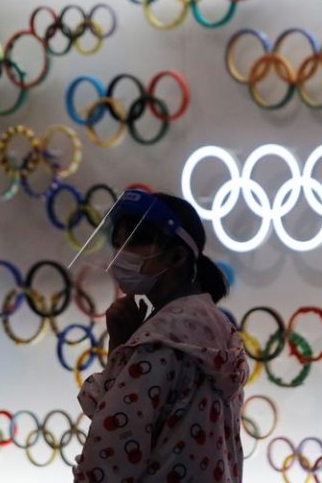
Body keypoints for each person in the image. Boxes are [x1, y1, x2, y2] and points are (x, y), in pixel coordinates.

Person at [72, 191, 249, 483]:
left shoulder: (157, 344)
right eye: (118, 245)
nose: (120, 255)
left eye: (133, 243)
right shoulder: (218, 330)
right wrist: (122, 348)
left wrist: (125, 351)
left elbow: (108, 458)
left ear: (178, 256)